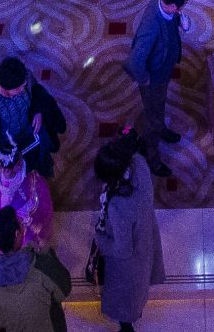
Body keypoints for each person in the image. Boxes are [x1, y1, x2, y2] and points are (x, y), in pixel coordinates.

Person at [90, 132, 165, 332]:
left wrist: (100, 238)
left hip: (128, 265)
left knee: (125, 302)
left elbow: (122, 249)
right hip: (146, 240)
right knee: (137, 293)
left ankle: (126, 325)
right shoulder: (139, 164)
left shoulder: (119, 205)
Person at [126, 0, 189, 178]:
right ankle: (152, 157)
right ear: (173, 6)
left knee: (160, 105)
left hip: (163, 70)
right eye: (181, 7)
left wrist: (181, 21)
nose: (182, 9)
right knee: (152, 119)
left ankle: (161, 128)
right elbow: (135, 61)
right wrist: (145, 80)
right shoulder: (150, 27)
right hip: (153, 79)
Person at [0, 207, 70, 332]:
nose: (24, 224)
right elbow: (65, 288)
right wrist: (45, 251)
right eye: (21, 222)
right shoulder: (41, 267)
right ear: (17, 234)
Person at [0, 144, 56, 265]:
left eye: (19, 163)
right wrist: (27, 223)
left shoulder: (18, 169)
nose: (18, 166)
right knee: (28, 240)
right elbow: (8, 208)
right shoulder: (7, 190)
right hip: (18, 212)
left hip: (25, 199)